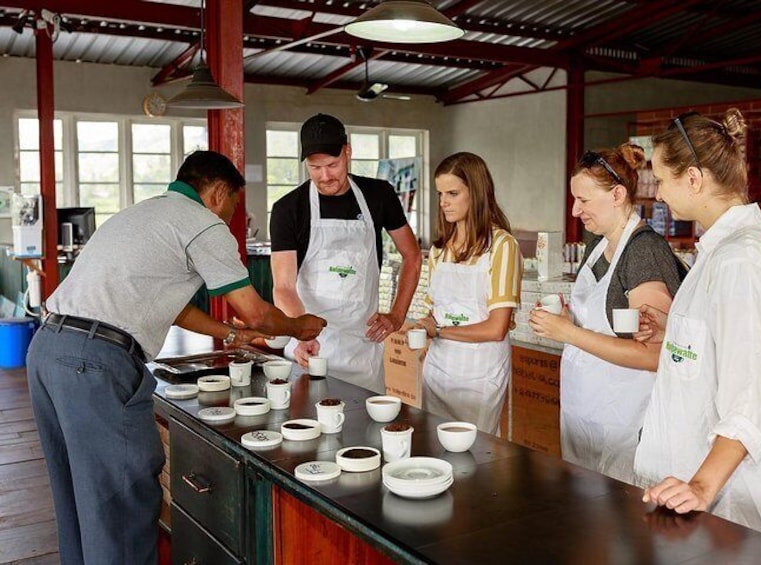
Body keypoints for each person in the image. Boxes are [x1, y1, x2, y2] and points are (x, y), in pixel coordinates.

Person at [27, 150, 326, 565]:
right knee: (120, 501)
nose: (230, 218)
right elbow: (255, 310)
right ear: (220, 192)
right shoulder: (202, 222)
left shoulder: (142, 215)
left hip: (47, 349)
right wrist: (300, 326)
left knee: (80, 498)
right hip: (94, 364)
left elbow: (176, 306)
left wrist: (231, 335)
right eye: (234, 207)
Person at [634, 109, 761, 549]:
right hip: (696, 501)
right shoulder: (721, 251)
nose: (658, 194)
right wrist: (673, 338)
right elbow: (719, 349)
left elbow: (752, 399)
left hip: (732, 503)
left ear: (694, 179)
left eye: (662, 179)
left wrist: (701, 486)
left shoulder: (742, 260)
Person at [528, 144, 685, 485]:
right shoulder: (598, 246)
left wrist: (568, 334)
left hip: (625, 420)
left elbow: (654, 354)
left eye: (583, 200)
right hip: (587, 413)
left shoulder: (644, 251)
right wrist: (568, 321)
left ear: (617, 194)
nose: (574, 210)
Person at [269, 113, 421, 393]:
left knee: (363, 433)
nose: (324, 176)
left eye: (332, 165)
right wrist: (302, 334)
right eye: (315, 167)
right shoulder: (288, 209)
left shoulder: (379, 195)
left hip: (362, 354)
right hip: (307, 352)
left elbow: (412, 255)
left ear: (347, 151)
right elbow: (284, 286)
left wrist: (398, 315)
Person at [416, 152, 522, 434]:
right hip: (437, 371)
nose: (443, 202)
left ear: (475, 193)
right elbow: (435, 308)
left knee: (474, 455)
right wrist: (425, 327)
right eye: (440, 194)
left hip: (479, 374)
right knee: (433, 451)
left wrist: (438, 330)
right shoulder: (440, 249)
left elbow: (496, 328)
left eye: (452, 193)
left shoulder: (502, 247)